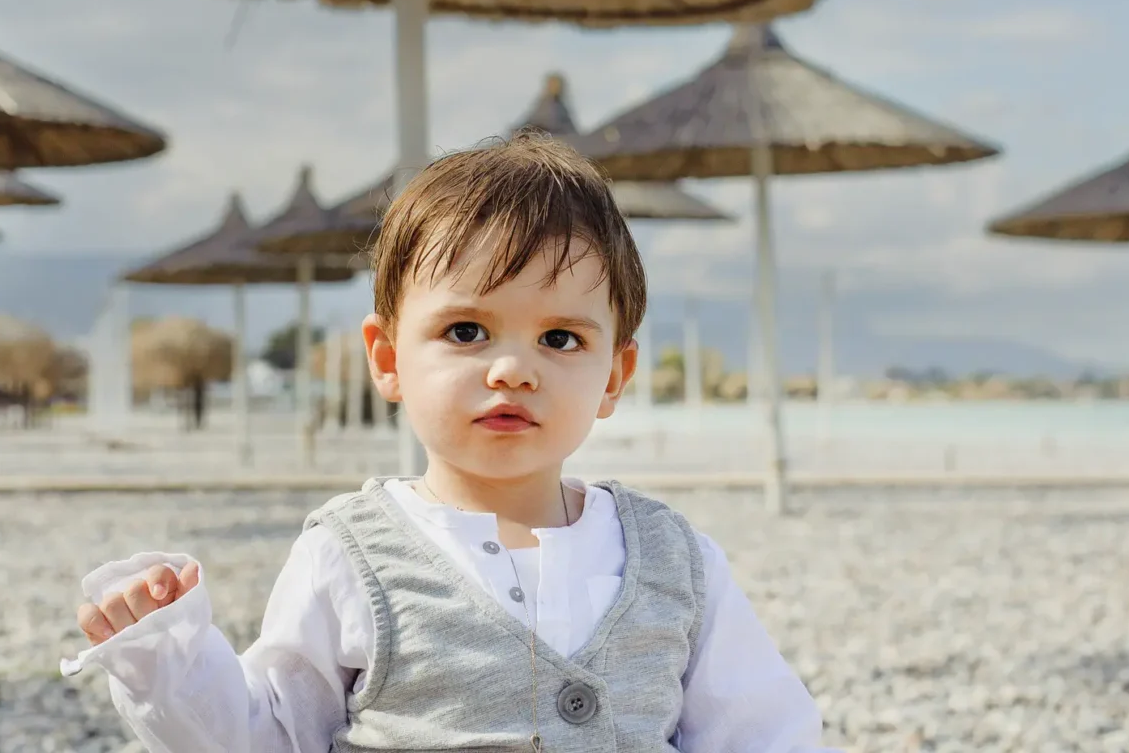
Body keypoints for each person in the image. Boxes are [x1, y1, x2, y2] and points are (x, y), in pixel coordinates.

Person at [63, 133, 833, 752]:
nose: (512, 369)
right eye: (466, 331)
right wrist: (167, 658)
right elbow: (267, 736)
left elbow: (765, 731)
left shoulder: (677, 562)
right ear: (390, 357)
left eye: (560, 338)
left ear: (613, 375)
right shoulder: (350, 556)